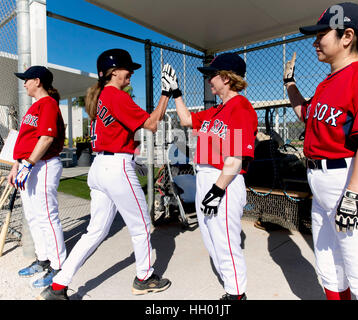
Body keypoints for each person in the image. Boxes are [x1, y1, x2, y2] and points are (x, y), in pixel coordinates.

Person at [38, 48, 171, 300]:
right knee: (141, 226)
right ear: (114, 72)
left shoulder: (103, 97)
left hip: (101, 167)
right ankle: (144, 277)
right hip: (116, 168)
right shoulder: (115, 95)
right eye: (126, 69)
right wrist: (166, 94)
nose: (130, 72)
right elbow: (152, 124)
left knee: (95, 232)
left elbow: (122, 132)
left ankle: (58, 285)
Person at [283, 2, 358, 300]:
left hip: (351, 178)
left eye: (322, 33)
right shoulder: (327, 82)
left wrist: (354, 194)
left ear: (347, 37)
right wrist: (289, 83)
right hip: (321, 183)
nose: (315, 40)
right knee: (329, 266)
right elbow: (305, 113)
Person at [162, 52, 258, 300]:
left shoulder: (241, 107)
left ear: (226, 78)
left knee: (225, 239)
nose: (209, 80)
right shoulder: (215, 111)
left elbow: (236, 157)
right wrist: (176, 93)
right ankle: (231, 287)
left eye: (212, 75)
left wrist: (217, 190)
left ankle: (237, 293)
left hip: (224, 180)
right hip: (206, 177)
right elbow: (185, 120)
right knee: (211, 238)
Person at [8, 65, 67, 288]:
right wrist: (17, 165)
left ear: (38, 81)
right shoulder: (35, 107)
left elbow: (46, 139)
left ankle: (58, 266)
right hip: (29, 166)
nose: (24, 83)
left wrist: (28, 164)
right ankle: (43, 260)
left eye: (27, 79)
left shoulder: (48, 104)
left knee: (47, 217)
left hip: (42, 165)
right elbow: (26, 141)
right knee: (33, 216)